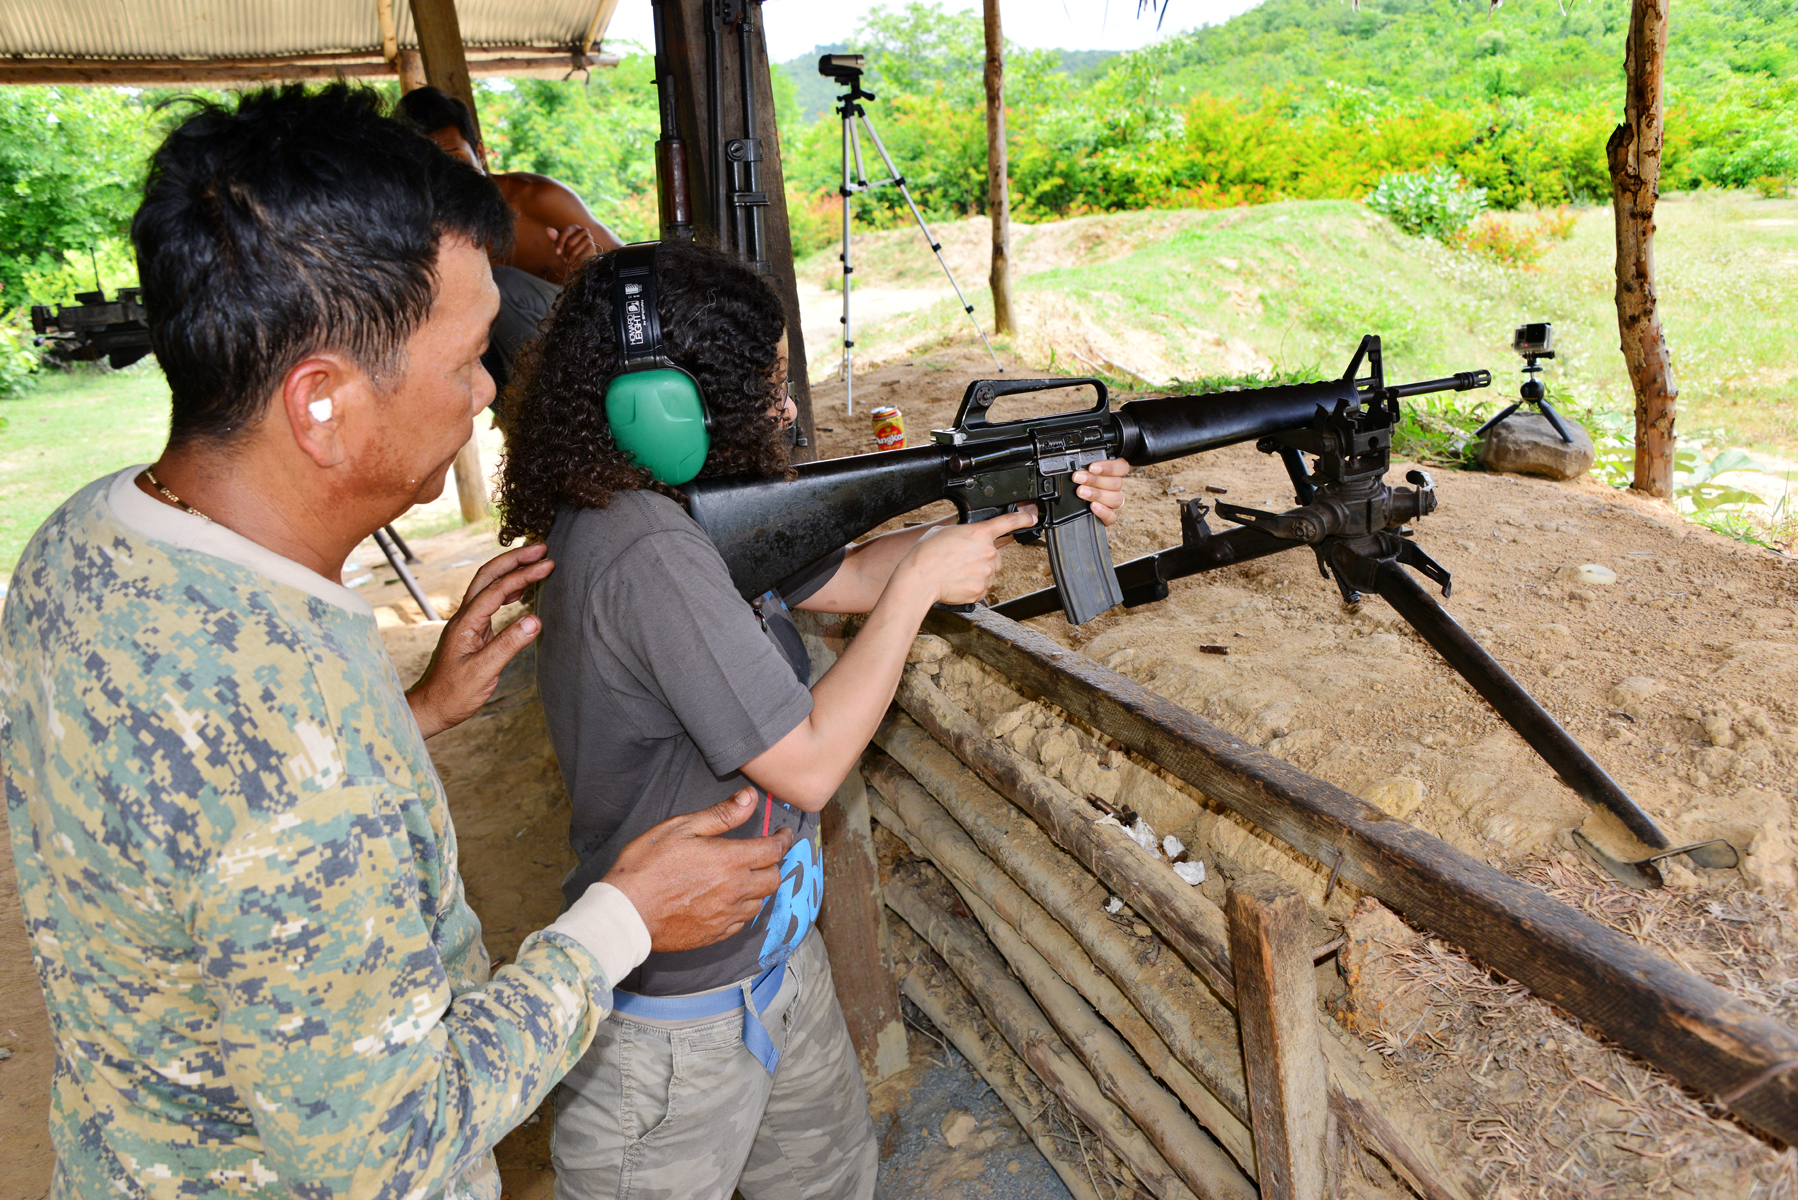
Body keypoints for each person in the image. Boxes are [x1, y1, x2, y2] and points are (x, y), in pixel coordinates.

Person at [1, 86, 794, 1200]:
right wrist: (622, 920)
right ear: (322, 402)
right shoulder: (283, 737)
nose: (484, 390)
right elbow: (393, 1150)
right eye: (467, 355)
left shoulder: (88, 536)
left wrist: (405, 718)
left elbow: (190, 824)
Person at [495, 239, 1131, 1200]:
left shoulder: (677, 510)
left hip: (774, 963)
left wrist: (1008, 508)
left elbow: (845, 573)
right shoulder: (645, 554)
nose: (784, 408)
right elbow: (809, 763)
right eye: (765, 386)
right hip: (676, 1030)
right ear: (664, 406)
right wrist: (920, 588)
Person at [397, 85, 623, 393]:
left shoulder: (537, 199)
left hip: (594, 351)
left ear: (479, 154)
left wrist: (589, 264)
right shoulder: (428, 239)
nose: (446, 179)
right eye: (430, 168)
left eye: (455, 160)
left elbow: (631, 273)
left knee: (501, 284)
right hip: (518, 384)